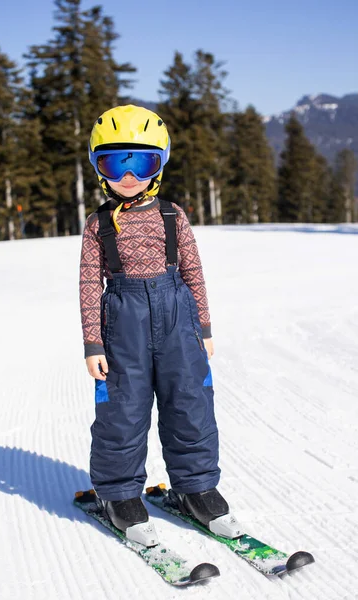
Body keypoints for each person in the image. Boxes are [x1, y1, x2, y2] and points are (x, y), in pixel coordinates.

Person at [79, 104, 241, 545]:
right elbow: (90, 284)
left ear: (160, 165)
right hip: (122, 323)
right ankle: (118, 495)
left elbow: (194, 273)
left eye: (142, 161)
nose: (128, 175)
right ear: (98, 167)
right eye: (115, 161)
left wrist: (203, 329)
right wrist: (93, 343)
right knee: (122, 410)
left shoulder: (174, 215)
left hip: (178, 317)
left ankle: (197, 489)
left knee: (190, 403)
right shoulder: (97, 225)